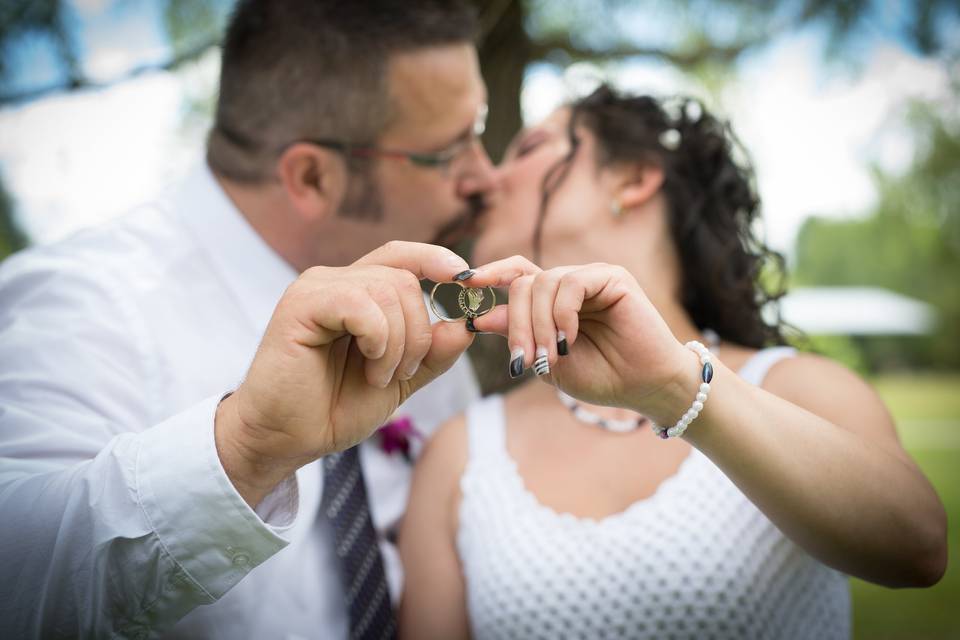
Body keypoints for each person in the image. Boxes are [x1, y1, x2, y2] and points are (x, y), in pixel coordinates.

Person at [0, 1, 497, 638]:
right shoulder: (81, 303)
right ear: (313, 177)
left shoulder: (433, 309)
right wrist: (244, 448)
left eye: (478, 127)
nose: (486, 173)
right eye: (449, 150)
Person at [398, 85, 948, 639]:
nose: (489, 180)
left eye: (531, 147)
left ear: (633, 178)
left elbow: (919, 550)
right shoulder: (460, 452)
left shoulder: (797, 387)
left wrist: (676, 389)